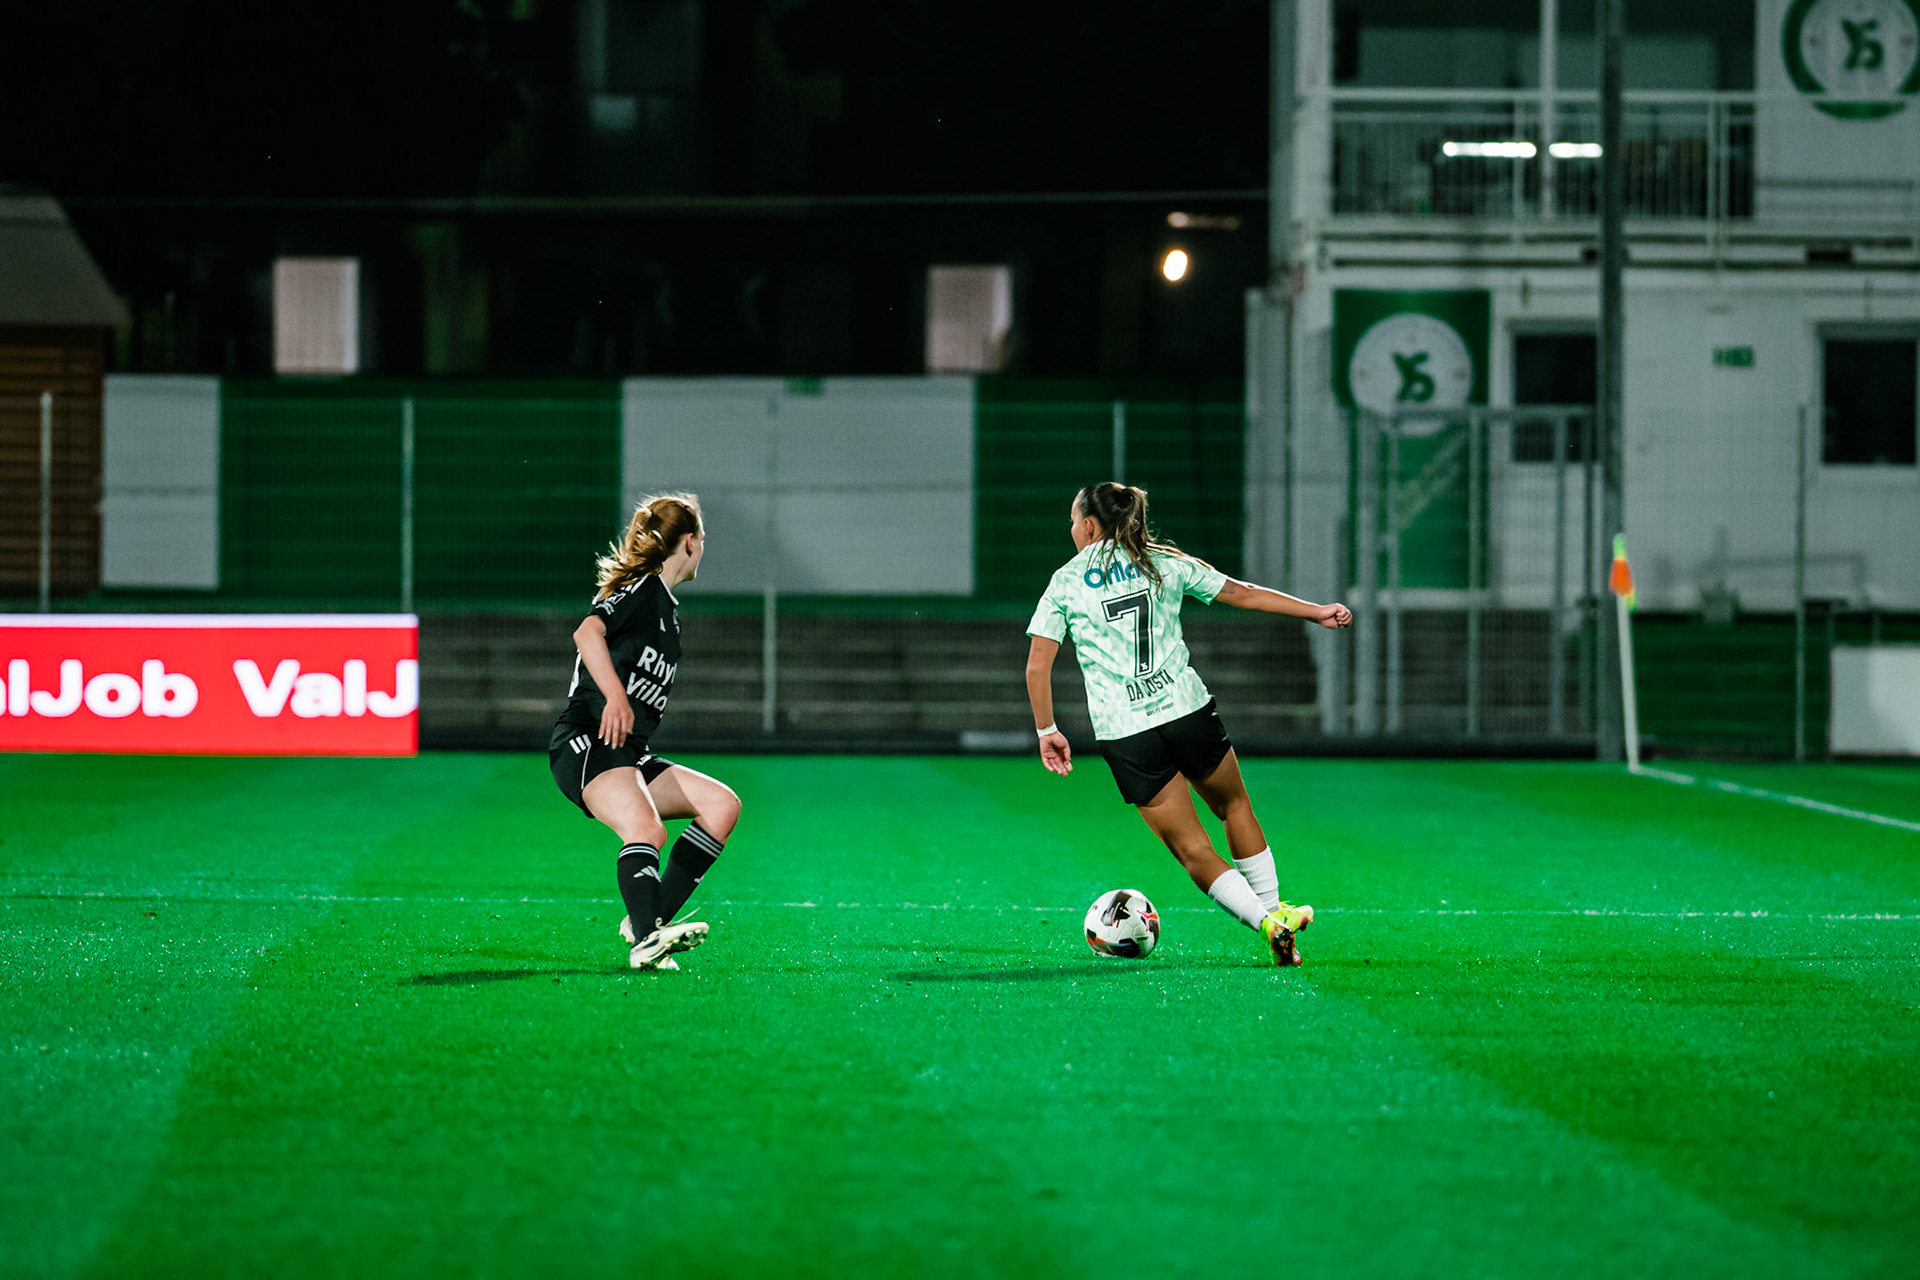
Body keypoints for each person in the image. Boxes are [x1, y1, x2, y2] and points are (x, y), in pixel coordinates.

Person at [1024, 482, 1352, 966]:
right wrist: (1316, 611)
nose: (1072, 529)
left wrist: (1046, 730)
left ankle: (1266, 922)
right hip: (1185, 710)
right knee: (1234, 805)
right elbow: (1242, 593)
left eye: (1073, 521)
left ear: (1090, 526)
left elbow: (1037, 665)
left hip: (1126, 732)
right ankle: (1274, 908)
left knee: (1193, 848)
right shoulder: (1162, 560)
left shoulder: (1066, 581)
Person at [549, 493, 742, 970]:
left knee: (721, 806)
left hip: (627, 752)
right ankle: (647, 942)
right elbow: (586, 633)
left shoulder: (666, 609)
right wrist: (615, 696)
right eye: (703, 540)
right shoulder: (643, 589)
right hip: (589, 742)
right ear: (691, 542)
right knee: (646, 830)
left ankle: (645, 923)